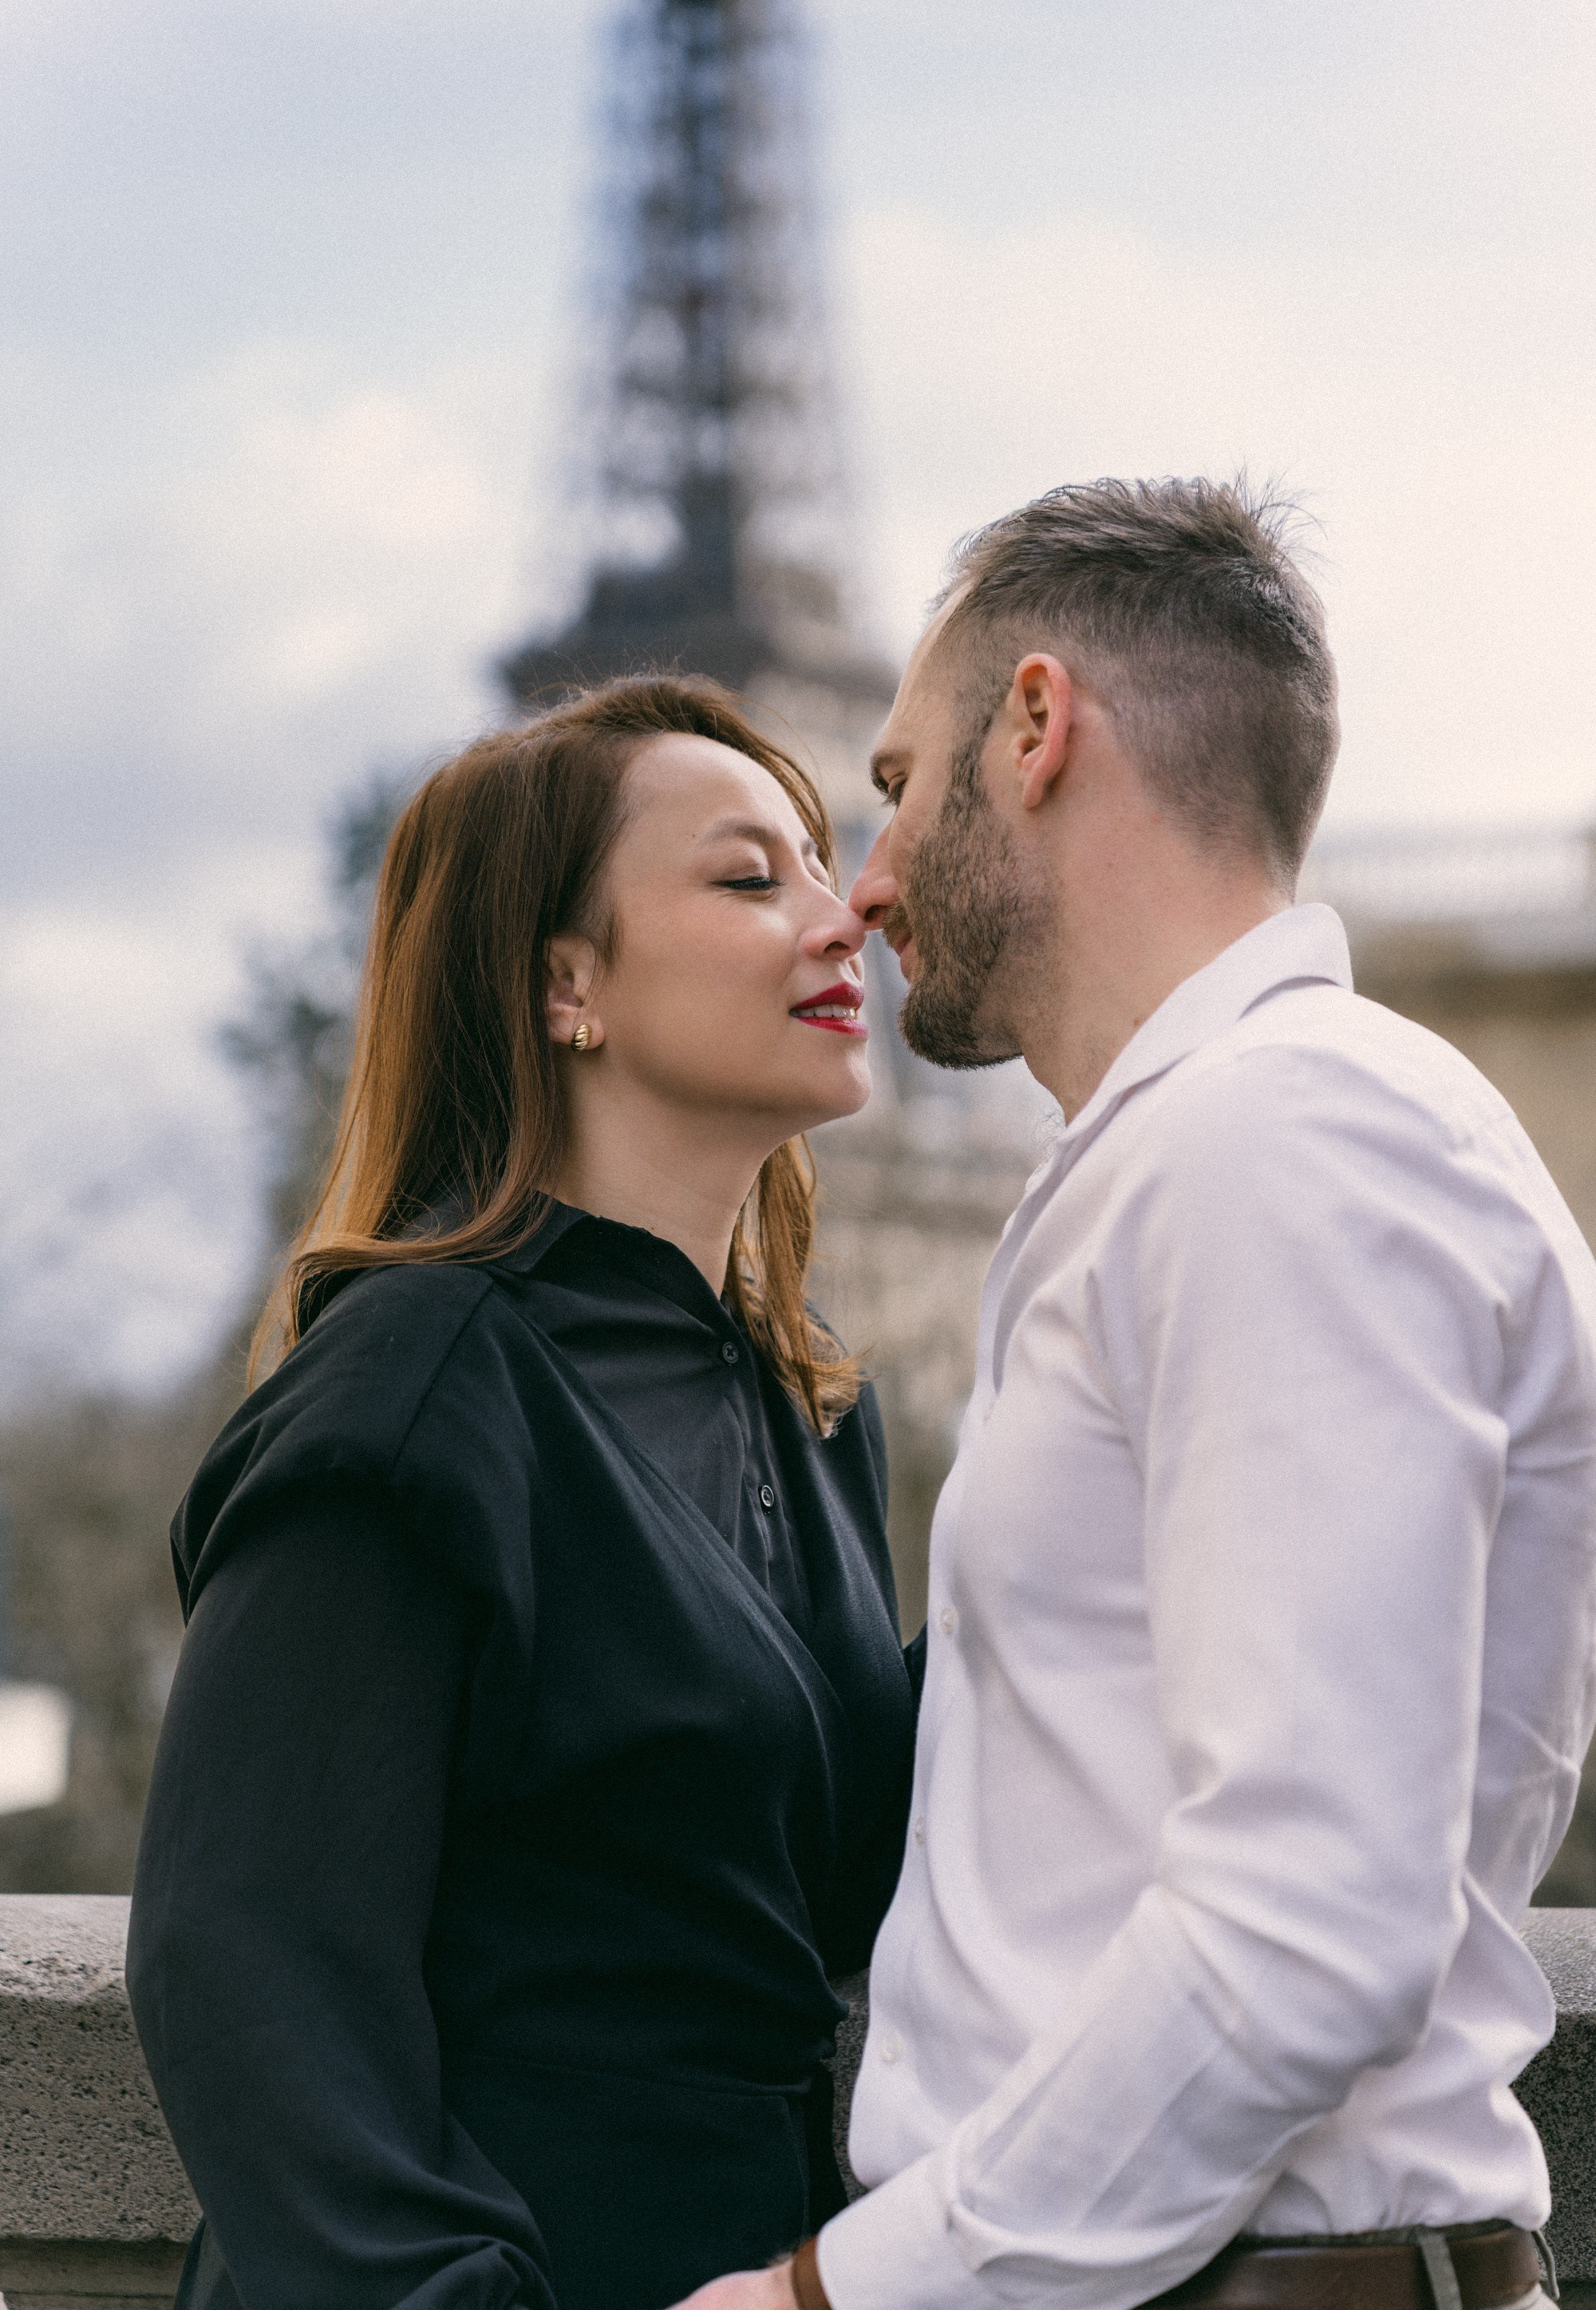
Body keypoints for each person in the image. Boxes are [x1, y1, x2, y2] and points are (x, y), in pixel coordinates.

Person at [676, 478, 1596, 2310]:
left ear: (1035, 726)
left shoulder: (1279, 1143)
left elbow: (1306, 1921)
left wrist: (842, 2294)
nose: (861, 882)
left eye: (894, 784)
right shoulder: (1238, 1145)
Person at [126, 676, 921, 2310]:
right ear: (568, 982)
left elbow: (812, 1897)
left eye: (827, 867)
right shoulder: (415, 1385)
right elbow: (244, 1951)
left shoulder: (810, 1405)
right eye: (749, 876)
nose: (844, 923)